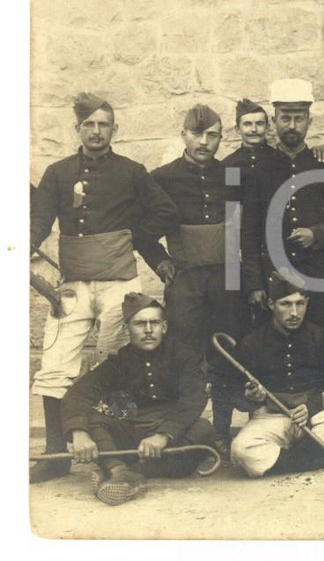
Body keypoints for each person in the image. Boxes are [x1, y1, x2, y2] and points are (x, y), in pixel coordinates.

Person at [29, 93, 179, 483]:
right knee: (56, 361)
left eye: (104, 125)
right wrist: (23, 243)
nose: (97, 132)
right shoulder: (58, 173)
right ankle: (56, 452)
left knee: (118, 361)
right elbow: (40, 220)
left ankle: (115, 446)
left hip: (119, 284)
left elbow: (165, 211)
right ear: (77, 129)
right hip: (73, 284)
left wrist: (130, 237)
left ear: (115, 129)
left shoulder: (131, 171)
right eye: (89, 125)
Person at [145, 104, 252, 456]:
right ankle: (186, 430)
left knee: (226, 351)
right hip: (186, 280)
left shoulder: (232, 173)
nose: (204, 142)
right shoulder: (161, 177)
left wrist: (242, 279)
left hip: (226, 276)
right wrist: (160, 261)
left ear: (221, 138)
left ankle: (221, 430)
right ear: (183, 135)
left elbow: (241, 229)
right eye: (197, 134)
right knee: (184, 355)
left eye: (213, 135)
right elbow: (140, 229)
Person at [60, 293, 214, 505]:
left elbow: (193, 399)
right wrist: (79, 433)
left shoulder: (184, 357)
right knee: (94, 418)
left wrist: (164, 435)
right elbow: (79, 393)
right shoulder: (119, 361)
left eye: (155, 323)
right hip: (132, 432)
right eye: (140, 324)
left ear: (165, 327)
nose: (149, 330)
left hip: (170, 434)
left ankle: (127, 472)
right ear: (126, 329)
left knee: (203, 428)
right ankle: (119, 469)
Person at [240, 79, 324, 337]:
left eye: (299, 118)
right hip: (273, 275)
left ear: (309, 122)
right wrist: (254, 285)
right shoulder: (258, 171)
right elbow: (248, 234)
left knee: (323, 342)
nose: (292, 125)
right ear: (274, 121)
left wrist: (317, 233)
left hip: (319, 276)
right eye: (285, 118)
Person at [229, 272, 324, 477]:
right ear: (270, 304)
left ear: (307, 303)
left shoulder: (322, 337)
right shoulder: (253, 342)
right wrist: (251, 397)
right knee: (241, 450)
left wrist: (311, 407)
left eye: (300, 304)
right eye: (286, 304)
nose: (294, 312)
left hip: (314, 415)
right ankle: (321, 457)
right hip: (271, 417)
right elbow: (236, 393)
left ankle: (282, 461)